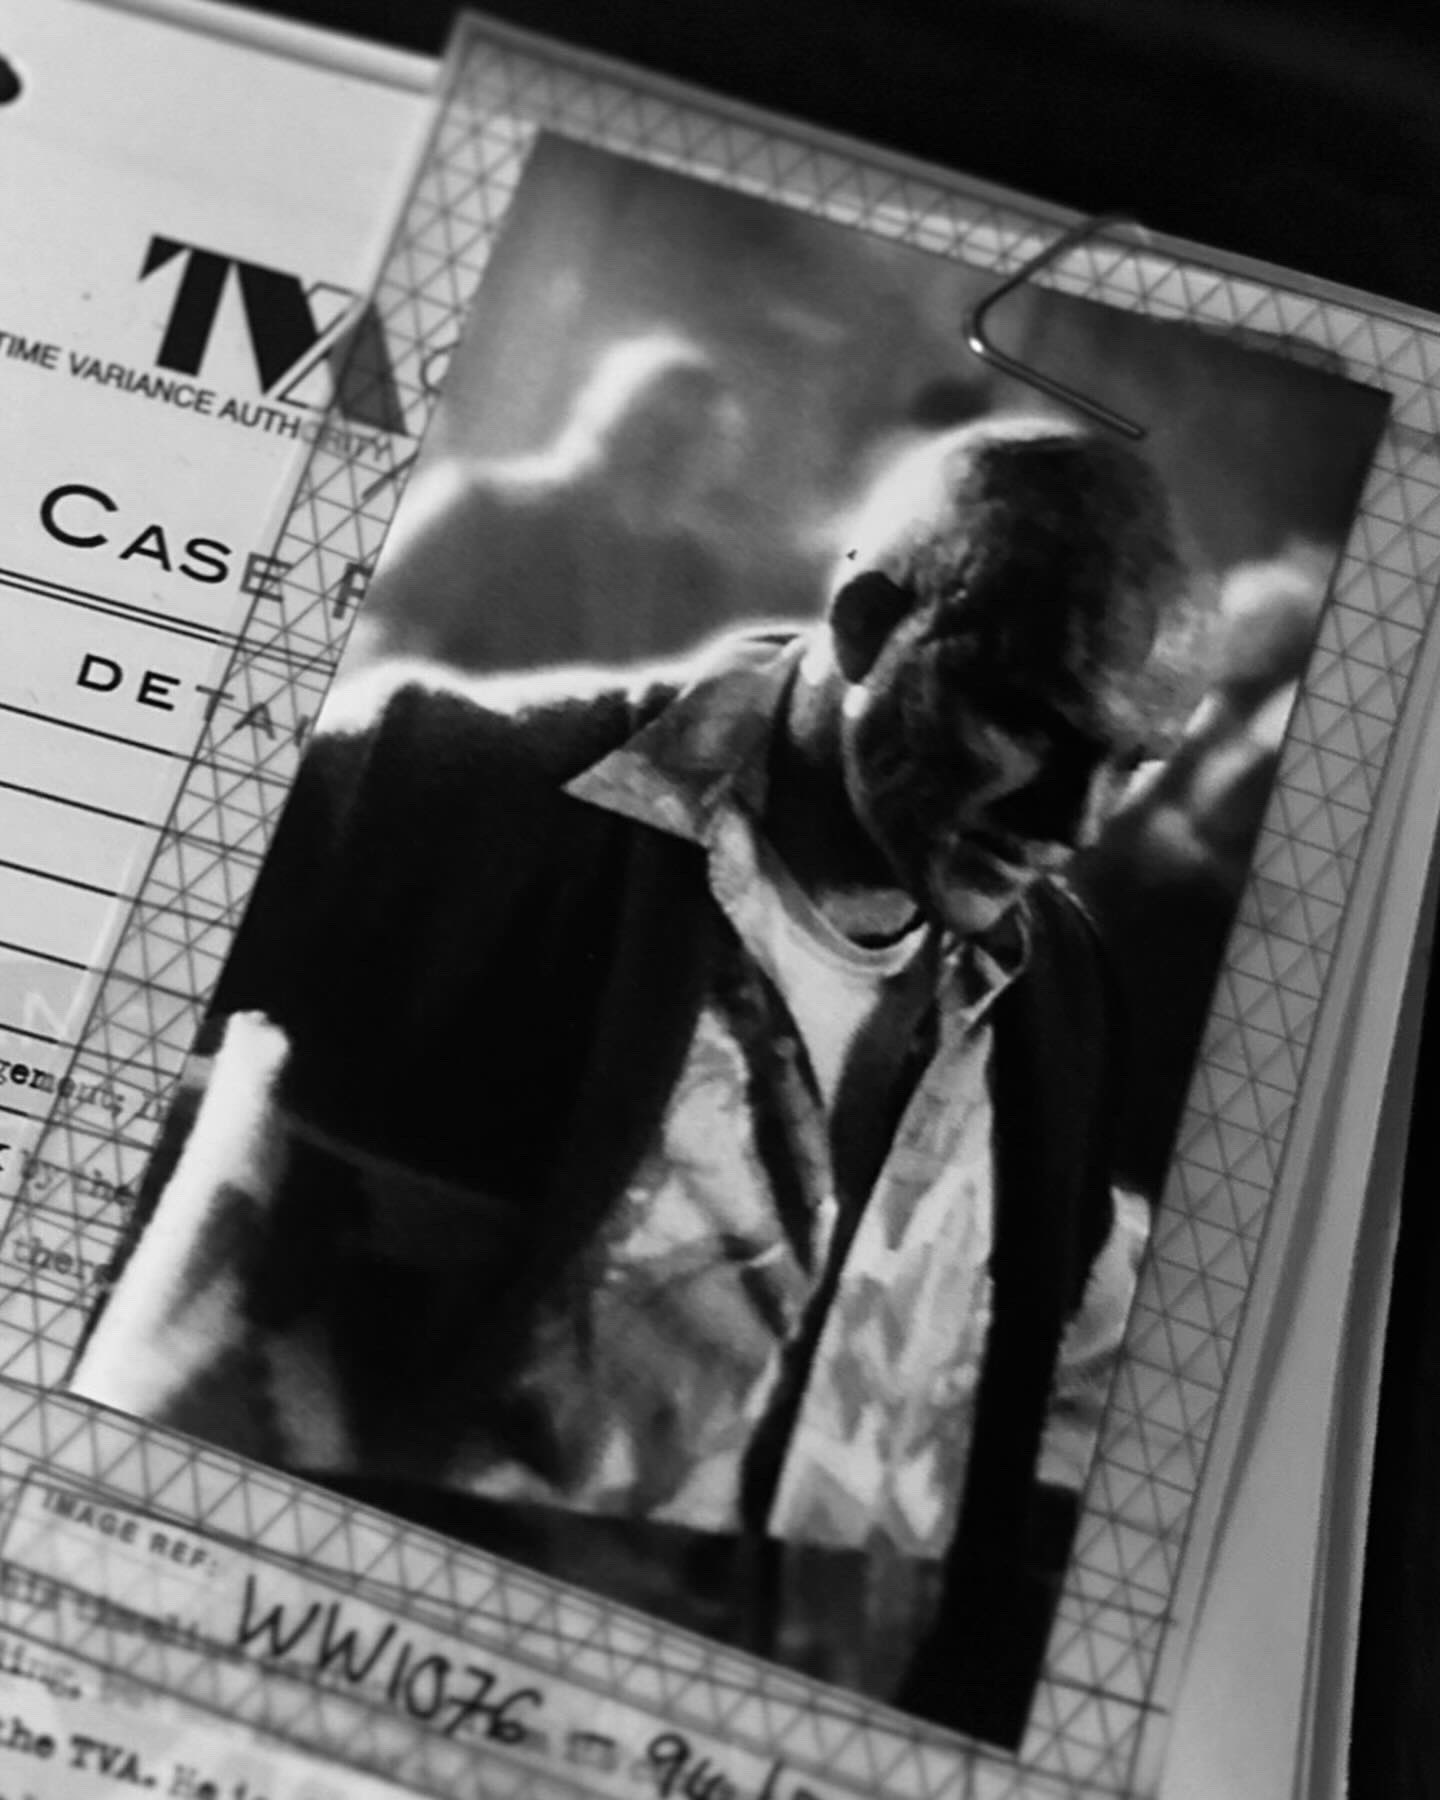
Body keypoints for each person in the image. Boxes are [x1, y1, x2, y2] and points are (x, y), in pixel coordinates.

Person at [73, 412, 1191, 1744]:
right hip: (291, 1712)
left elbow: (1066, 1344)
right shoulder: (443, 791)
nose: (1077, 821)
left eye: (1133, 764)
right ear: (866, 624)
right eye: (1028, 721)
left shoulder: (1058, 988)